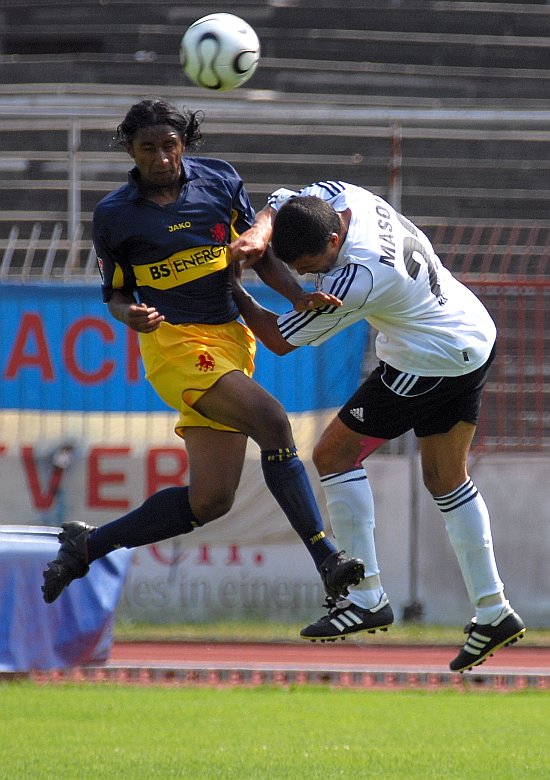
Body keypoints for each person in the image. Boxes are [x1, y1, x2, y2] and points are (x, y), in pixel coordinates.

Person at [41, 101, 365, 611]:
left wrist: (297, 296)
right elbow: (116, 293)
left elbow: (259, 254)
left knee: (211, 500)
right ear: (130, 150)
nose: (161, 158)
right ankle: (326, 557)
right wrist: (129, 315)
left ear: (184, 144)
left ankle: (87, 546)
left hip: (229, 338)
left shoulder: (219, 181)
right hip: (173, 345)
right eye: (148, 148)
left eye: (169, 146)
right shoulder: (115, 215)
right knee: (272, 420)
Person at [232, 179, 526, 672]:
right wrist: (262, 229)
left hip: (430, 359)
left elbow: (279, 341)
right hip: (469, 331)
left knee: (333, 455)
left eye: (312, 267)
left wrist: (229, 286)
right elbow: (282, 200)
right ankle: (494, 609)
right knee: (446, 479)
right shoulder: (351, 197)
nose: (306, 277)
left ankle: (367, 597)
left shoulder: (359, 277)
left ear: (333, 241)